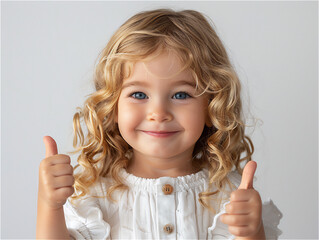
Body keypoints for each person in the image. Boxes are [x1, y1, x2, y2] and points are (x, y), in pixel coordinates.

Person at [36, 8, 283, 239]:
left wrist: (252, 233)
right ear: (113, 106)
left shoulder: (227, 193)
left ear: (211, 106)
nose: (158, 113)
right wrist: (49, 204)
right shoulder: (95, 195)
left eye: (181, 95)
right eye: (139, 95)